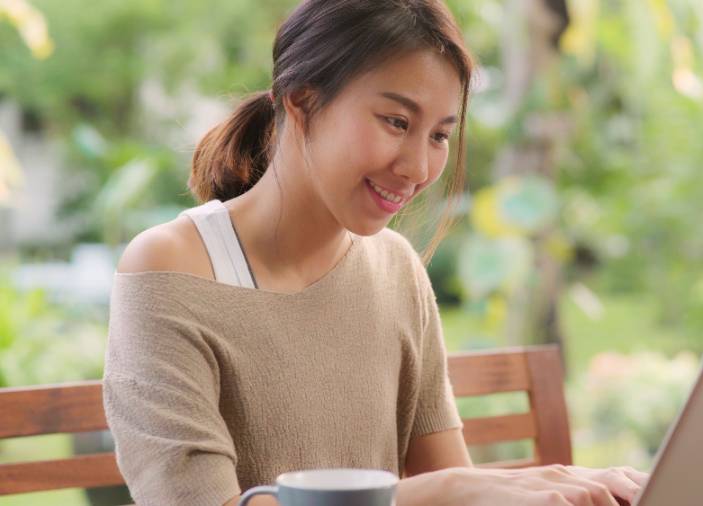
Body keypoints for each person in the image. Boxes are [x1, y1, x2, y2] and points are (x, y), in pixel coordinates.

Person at [103, 1, 648, 504]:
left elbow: (459, 494)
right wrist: (455, 487)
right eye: (396, 122)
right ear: (301, 101)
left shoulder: (394, 269)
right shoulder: (169, 268)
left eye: (439, 135)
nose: (417, 168)